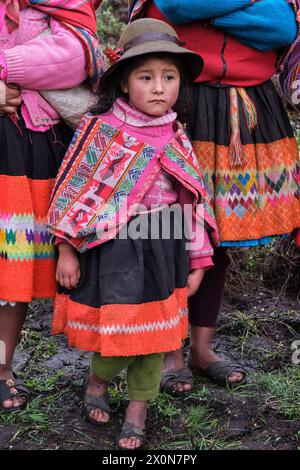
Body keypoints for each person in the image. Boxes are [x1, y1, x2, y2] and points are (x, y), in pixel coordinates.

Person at [47, 18, 219, 449]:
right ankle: (97, 382)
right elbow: (74, 193)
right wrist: (67, 249)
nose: (159, 87)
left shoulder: (176, 136)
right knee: (121, 332)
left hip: (165, 248)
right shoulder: (101, 131)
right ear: (124, 83)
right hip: (116, 250)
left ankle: (138, 410)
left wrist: (198, 259)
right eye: (146, 77)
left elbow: (191, 205)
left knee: (158, 334)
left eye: (169, 77)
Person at [128, 0, 300, 391]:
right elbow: (174, 6)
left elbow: (280, 28)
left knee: (215, 232)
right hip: (179, 100)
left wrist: (207, 12)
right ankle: (169, 350)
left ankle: (202, 349)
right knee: (166, 226)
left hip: (244, 107)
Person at [0, 0, 105, 411]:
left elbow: (74, 60)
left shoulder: (67, 2)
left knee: (13, 264)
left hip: (25, 144)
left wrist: (4, 69)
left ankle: (2, 370)